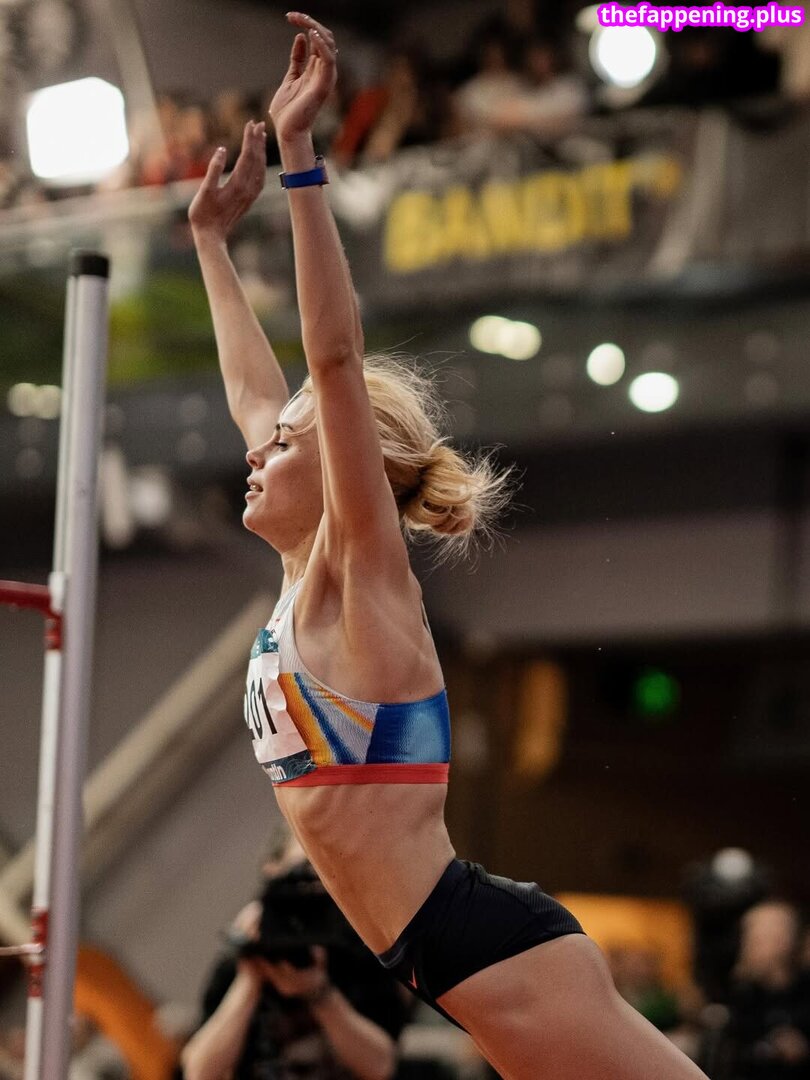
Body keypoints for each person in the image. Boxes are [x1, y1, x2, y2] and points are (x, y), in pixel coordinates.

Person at [188, 12, 711, 1078]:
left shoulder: (354, 573)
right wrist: (208, 242)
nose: (257, 451)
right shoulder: (299, 581)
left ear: (344, 470)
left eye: (283, 446)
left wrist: (302, 161)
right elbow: (257, 391)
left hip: (484, 947)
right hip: (444, 958)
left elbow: (334, 362)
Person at [180, 828, 410, 1080]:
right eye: (305, 867)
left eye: (326, 867)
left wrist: (320, 994)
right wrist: (250, 979)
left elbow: (382, 1066)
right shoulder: (243, 960)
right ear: (272, 868)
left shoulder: (359, 951)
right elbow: (198, 1071)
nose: (314, 882)